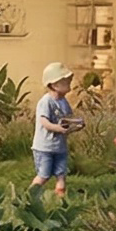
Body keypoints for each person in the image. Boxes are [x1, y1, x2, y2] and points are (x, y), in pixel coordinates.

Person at [32, 61, 82, 195]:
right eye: (65, 81)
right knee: (44, 174)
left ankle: (60, 197)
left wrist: (76, 124)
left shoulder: (63, 101)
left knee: (61, 174)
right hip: (45, 147)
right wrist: (57, 128)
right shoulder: (46, 102)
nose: (69, 83)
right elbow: (44, 121)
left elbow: (66, 118)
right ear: (54, 84)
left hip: (60, 146)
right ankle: (30, 195)